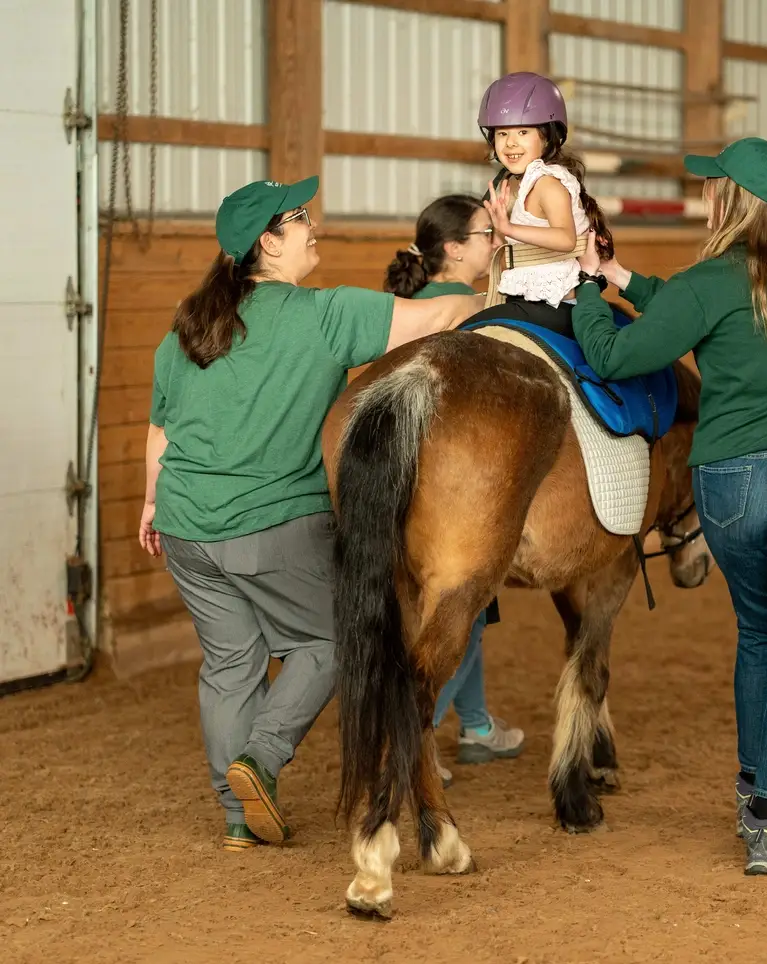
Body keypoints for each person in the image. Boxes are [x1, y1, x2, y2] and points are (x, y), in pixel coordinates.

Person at [137, 175, 480, 852]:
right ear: (268, 243)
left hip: (183, 527)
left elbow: (161, 431)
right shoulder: (326, 313)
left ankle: (238, 817)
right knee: (331, 642)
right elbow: (440, 317)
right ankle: (261, 758)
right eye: (299, 217)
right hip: (270, 524)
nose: (312, 224)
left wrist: (151, 502)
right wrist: (494, 291)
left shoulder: (188, 325)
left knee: (230, 664)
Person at [570, 137, 767, 876]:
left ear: (727, 200)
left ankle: (754, 786)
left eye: (711, 185)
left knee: (757, 634)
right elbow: (699, 308)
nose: (703, 194)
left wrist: (588, 292)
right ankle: (766, 816)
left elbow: (617, 356)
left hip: (733, 483)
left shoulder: (707, 282)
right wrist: (622, 276)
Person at [384, 194, 526, 788]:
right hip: (453, 481)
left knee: (465, 611)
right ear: (453, 249)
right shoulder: (472, 307)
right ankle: (418, 733)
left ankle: (477, 723)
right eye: (486, 233)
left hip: (401, 477)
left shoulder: (406, 305)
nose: (495, 242)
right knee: (461, 612)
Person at [469, 71, 612, 335]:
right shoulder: (520, 181)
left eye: (523, 132)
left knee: (467, 329)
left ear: (547, 137)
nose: (510, 143)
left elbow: (565, 238)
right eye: (502, 133)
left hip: (556, 302)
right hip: (533, 297)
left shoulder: (547, 183)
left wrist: (509, 228)